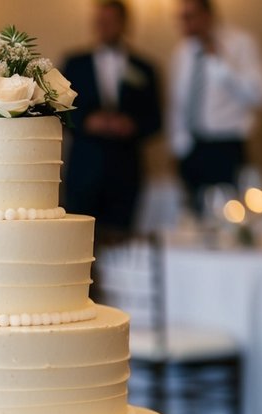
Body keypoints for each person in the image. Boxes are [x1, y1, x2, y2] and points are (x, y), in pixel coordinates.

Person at [62, 1, 161, 237]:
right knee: (78, 239)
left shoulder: (145, 68)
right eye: (100, 21)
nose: (104, 27)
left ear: (125, 24)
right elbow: (60, 113)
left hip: (125, 171)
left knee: (120, 242)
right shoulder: (75, 64)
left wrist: (131, 125)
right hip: (83, 169)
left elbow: (156, 120)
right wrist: (87, 121)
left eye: (111, 21)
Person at [168, 0, 262, 213]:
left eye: (190, 17)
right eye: (181, 18)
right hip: (191, 148)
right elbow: (177, 104)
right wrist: (178, 145)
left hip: (226, 147)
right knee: (192, 218)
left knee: (228, 216)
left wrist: (221, 64)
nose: (184, 24)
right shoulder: (182, 52)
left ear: (207, 16)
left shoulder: (241, 44)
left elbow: (260, 94)